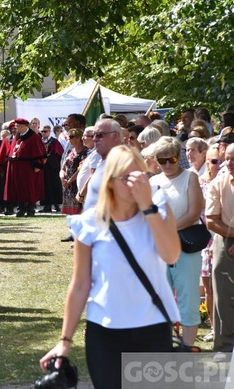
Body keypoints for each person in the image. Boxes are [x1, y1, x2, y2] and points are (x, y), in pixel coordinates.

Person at [40, 145, 181, 388]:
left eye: (140, 176)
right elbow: (80, 284)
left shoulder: (157, 208)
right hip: (105, 332)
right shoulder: (90, 223)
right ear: (110, 181)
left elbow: (171, 256)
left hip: (153, 328)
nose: (134, 184)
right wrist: (65, 340)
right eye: (126, 178)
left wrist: (148, 207)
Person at [149, 136, 203, 346]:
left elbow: (193, 213)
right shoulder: (153, 181)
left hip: (185, 249)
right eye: (161, 161)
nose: (167, 165)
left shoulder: (190, 177)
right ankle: (162, 346)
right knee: (159, 301)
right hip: (159, 249)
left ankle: (187, 349)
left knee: (188, 299)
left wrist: (167, 231)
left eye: (171, 159)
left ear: (178, 157)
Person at [205, 143, 234, 354]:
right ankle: (224, 347)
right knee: (223, 296)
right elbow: (211, 221)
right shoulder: (219, 183)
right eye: (228, 159)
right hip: (225, 239)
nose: (229, 164)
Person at [0, 117, 46, 217]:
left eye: (17, 126)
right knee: (19, 189)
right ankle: (21, 208)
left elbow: (40, 152)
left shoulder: (33, 137)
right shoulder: (17, 137)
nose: (16, 128)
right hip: (17, 168)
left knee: (29, 189)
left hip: (28, 168)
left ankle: (30, 209)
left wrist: (38, 166)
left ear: (23, 126)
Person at [199, 145, 219, 342]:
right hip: (206, 238)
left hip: (224, 236)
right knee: (208, 286)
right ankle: (214, 327)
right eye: (214, 161)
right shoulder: (201, 183)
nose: (218, 165)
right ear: (207, 162)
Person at [60, 129, 88, 215]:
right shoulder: (70, 151)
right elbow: (63, 168)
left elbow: (80, 169)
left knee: (80, 210)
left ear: (79, 138)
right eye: (69, 137)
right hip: (67, 186)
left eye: (71, 137)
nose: (69, 139)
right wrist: (62, 179)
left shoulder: (85, 151)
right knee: (70, 213)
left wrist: (70, 181)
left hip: (77, 184)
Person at [39, 125, 64, 213]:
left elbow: (59, 153)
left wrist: (49, 159)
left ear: (49, 132)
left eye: (45, 131)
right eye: (42, 131)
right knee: (44, 187)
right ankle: (46, 206)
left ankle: (56, 205)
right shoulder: (39, 141)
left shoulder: (54, 142)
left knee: (53, 186)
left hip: (52, 168)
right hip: (42, 168)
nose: (43, 133)